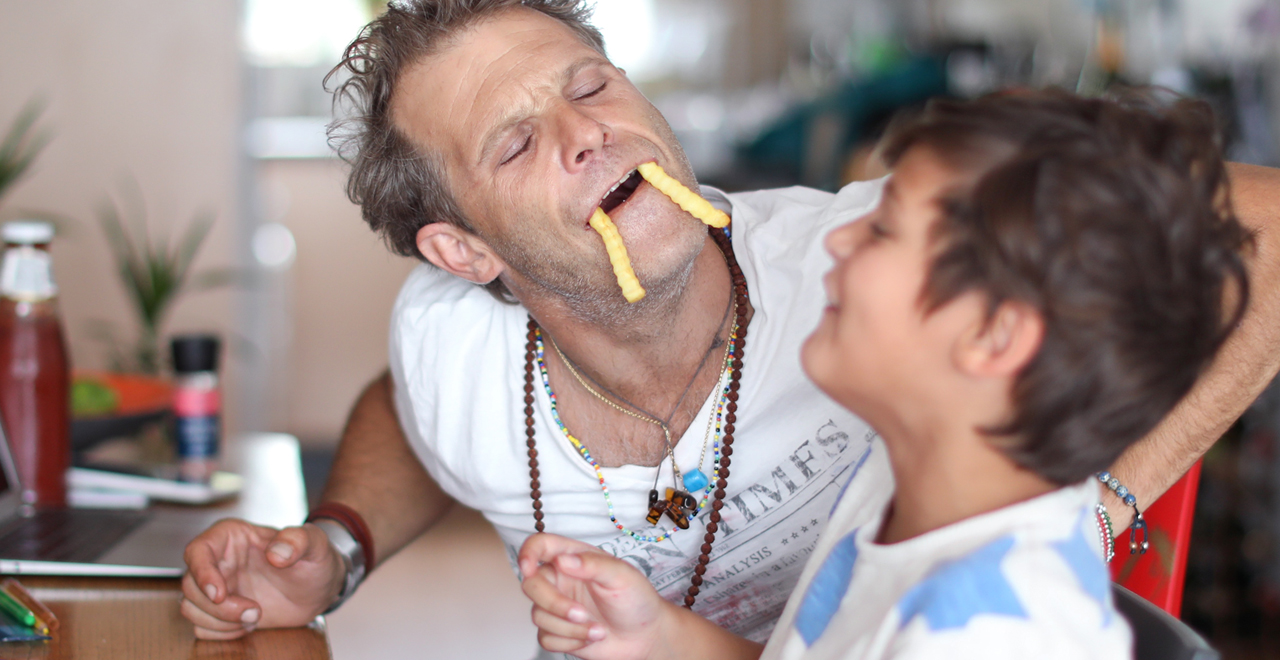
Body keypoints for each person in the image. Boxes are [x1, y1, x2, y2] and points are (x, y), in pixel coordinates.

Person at [179, 0, 1280, 648]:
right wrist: (333, 551)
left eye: (590, 85)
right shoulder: (447, 340)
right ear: (466, 255)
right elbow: (410, 410)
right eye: (513, 145)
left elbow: (1267, 224)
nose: (588, 135)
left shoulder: (873, 276)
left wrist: (1098, 498)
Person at [518, 88, 1250, 660]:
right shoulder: (905, 502)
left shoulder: (992, 633)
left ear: (991, 335)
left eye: (885, 226)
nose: (837, 238)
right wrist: (657, 636)